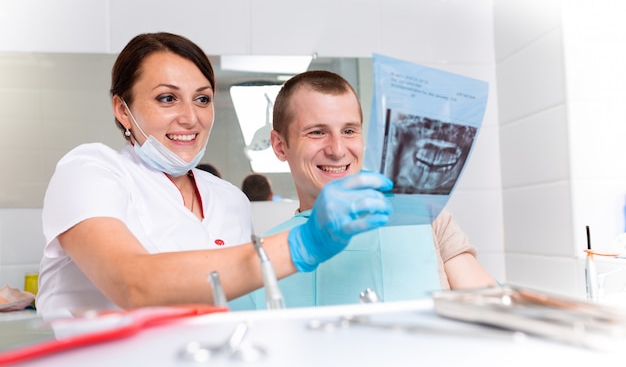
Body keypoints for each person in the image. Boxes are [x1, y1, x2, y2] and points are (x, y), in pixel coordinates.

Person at [36, 33, 395, 317]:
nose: (190, 118)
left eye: (202, 99)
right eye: (166, 99)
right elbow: (132, 284)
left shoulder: (229, 200)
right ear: (123, 110)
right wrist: (304, 243)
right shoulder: (90, 170)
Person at [230, 70, 496, 310]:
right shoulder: (265, 254)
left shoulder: (424, 215)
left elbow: (489, 308)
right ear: (279, 146)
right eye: (316, 132)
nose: (337, 149)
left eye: (348, 131)